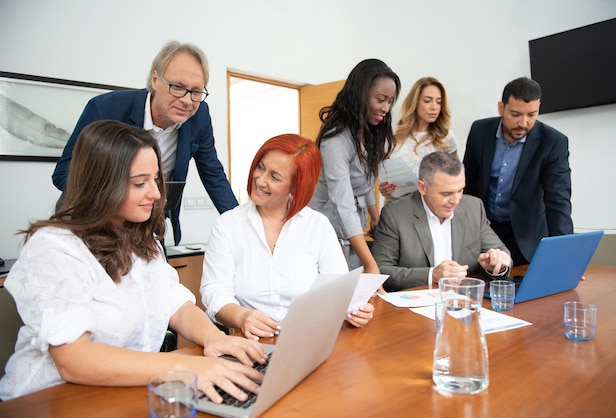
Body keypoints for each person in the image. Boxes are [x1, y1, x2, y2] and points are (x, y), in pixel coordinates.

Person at [0, 120, 266, 403]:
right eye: (140, 183)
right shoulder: (53, 247)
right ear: (101, 184)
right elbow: (74, 359)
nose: (155, 193)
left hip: (121, 392)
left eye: (155, 179)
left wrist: (216, 338)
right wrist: (186, 366)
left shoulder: (142, 237)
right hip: (49, 400)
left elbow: (174, 304)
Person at [52, 40, 237, 245]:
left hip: (150, 226)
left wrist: (240, 226)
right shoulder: (105, 109)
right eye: (178, 87)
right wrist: (123, 198)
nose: (187, 100)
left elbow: (213, 175)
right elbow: (64, 174)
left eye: (196, 91)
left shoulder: (199, 116)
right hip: (94, 223)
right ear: (156, 79)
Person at [200, 134, 375, 341]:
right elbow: (214, 292)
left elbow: (337, 288)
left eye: (275, 177)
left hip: (310, 340)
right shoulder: (228, 226)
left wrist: (353, 310)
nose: (260, 180)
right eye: (261, 167)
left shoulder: (317, 225)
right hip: (254, 344)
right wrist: (242, 317)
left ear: (296, 186)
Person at [463, 77, 573, 266]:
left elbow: (558, 202)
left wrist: (564, 257)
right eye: (515, 114)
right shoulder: (480, 131)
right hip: (484, 232)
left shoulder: (553, 143)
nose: (523, 122)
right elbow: (468, 185)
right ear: (501, 108)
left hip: (526, 237)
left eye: (532, 114)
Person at [308, 58, 400, 272]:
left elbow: (366, 181)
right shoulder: (336, 141)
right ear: (361, 94)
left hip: (351, 226)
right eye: (381, 99)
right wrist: (369, 262)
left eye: (390, 101)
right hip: (327, 223)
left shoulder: (366, 132)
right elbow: (343, 203)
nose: (386, 108)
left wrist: (375, 216)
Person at [372, 151, 511, 291]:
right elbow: (380, 271)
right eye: (446, 194)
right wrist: (432, 275)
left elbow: (502, 252)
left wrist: (497, 264)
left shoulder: (473, 207)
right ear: (422, 188)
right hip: (415, 303)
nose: (456, 201)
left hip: (463, 300)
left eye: (460, 190)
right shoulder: (395, 214)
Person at [379, 76, 458, 202]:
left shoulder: (445, 137)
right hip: (396, 206)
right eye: (427, 101)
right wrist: (384, 188)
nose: (434, 107)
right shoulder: (393, 134)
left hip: (432, 207)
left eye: (438, 102)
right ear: (415, 102)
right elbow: (385, 176)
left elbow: (456, 177)